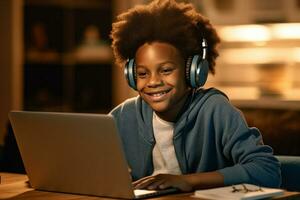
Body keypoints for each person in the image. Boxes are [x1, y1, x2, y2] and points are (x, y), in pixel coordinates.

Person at [109, 0, 281, 192]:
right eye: (142, 73)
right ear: (131, 76)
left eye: (166, 70)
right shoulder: (122, 116)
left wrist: (189, 181)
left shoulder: (215, 109)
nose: (153, 81)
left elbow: (267, 170)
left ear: (193, 71)